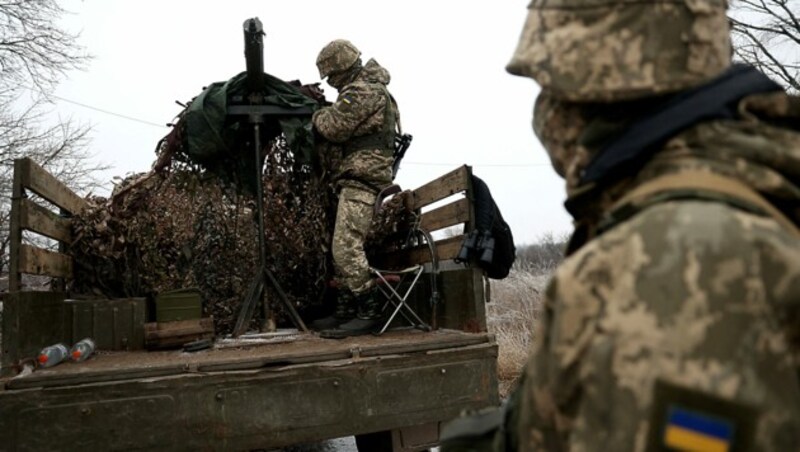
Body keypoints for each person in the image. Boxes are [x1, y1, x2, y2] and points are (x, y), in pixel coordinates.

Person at [441, 0, 800, 450]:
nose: (543, 114)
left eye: (550, 89)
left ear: (594, 89)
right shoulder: (757, 190)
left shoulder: (672, 262)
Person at [309, 39, 400, 338]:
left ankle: (370, 310)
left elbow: (334, 126)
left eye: (331, 75)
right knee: (340, 249)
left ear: (341, 67)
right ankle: (346, 310)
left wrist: (316, 115)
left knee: (345, 247)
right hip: (356, 177)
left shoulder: (363, 90)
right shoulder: (367, 88)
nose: (331, 82)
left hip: (364, 178)